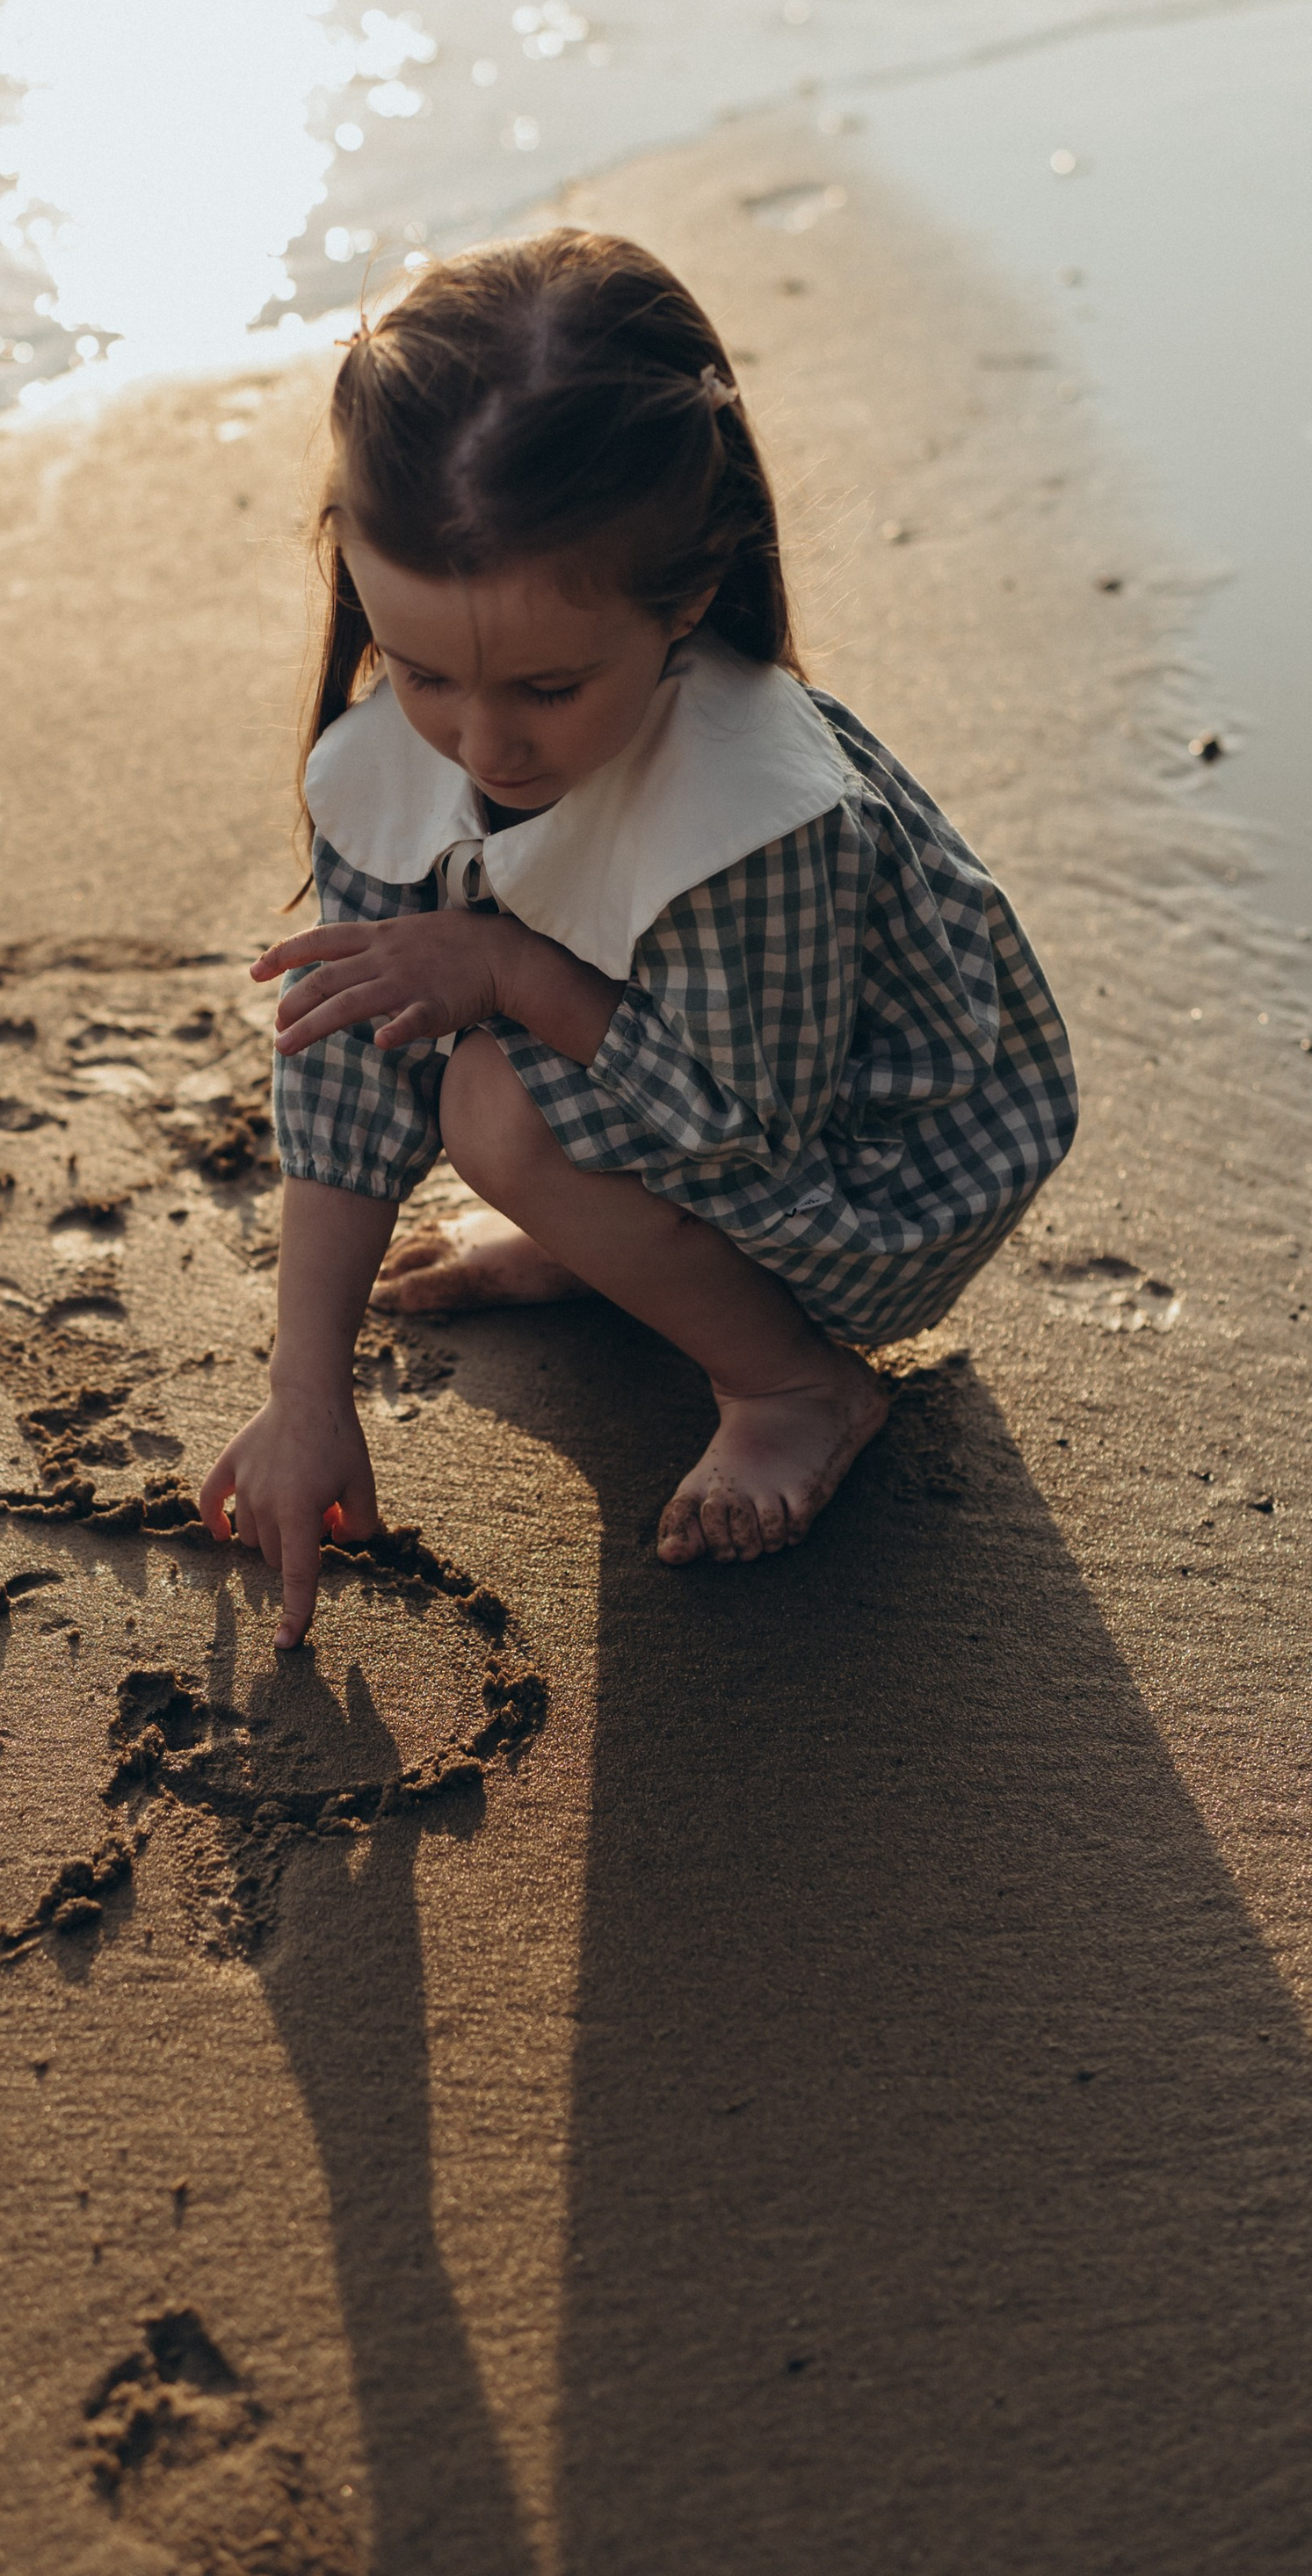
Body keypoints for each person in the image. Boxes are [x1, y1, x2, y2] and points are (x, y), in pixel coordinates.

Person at [198, 228, 1077, 1645]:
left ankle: (794, 1383)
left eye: (548, 688)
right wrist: (305, 1392)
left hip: (876, 1177)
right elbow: (350, 1067)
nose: (484, 741)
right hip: (685, 1115)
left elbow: (752, 1120)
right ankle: (594, 1240)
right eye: (423, 672)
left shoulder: (756, 818)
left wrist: (509, 971)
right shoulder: (408, 750)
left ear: (689, 595)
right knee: (459, 1061)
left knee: (493, 1099)